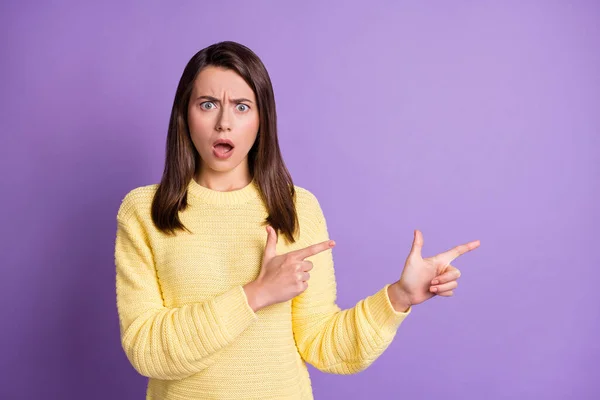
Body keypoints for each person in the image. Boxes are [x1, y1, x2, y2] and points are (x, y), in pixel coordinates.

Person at [114, 40, 480, 400]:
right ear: (185, 114)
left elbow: (323, 344)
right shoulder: (145, 210)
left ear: (262, 119)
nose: (224, 123)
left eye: (242, 106)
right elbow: (146, 349)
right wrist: (257, 294)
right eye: (207, 104)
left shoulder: (297, 208)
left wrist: (399, 297)